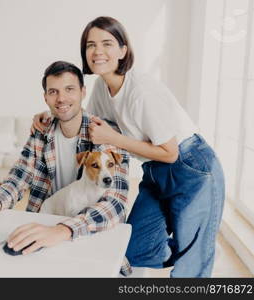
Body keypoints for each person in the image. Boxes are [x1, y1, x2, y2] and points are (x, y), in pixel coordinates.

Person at [32, 17, 225, 277]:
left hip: (191, 165)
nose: (98, 51)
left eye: (107, 43)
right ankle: (197, 245)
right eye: (91, 45)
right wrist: (50, 115)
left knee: (190, 266)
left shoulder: (141, 91)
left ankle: (198, 250)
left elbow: (171, 152)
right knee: (132, 249)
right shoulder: (102, 87)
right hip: (155, 168)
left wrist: (114, 139)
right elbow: (89, 123)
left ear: (123, 51)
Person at [0, 60, 132, 276]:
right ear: (45, 97)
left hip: (89, 232)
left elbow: (115, 203)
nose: (61, 98)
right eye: (53, 91)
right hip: (44, 225)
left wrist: (64, 230)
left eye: (69, 89)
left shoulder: (105, 132)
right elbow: (21, 175)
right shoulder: (41, 131)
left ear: (83, 92)